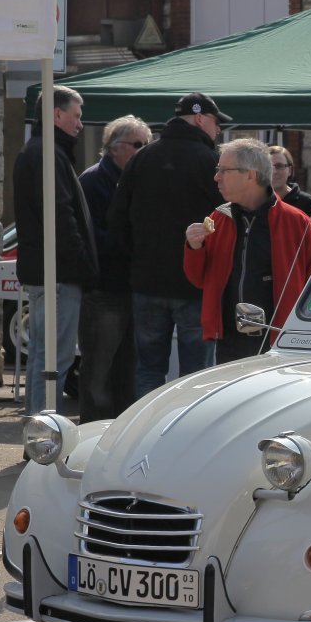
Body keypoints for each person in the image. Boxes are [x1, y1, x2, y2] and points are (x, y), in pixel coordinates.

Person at [109, 91, 229, 397]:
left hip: (147, 281)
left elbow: (117, 218)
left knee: (148, 369)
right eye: (215, 122)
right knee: (196, 374)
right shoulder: (211, 162)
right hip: (195, 284)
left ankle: (147, 425)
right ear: (199, 119)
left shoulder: (142, 158)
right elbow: (226, 221)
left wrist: (136, 260)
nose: (218, 130)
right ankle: (190, 427)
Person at [183, 138, 311, 364]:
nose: (216, 177)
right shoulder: (219, 218)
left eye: (224, 170)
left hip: (279, 343)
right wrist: (194, 246)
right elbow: (198, 279)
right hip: (229, 339)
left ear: (250, 175)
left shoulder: (300, 224)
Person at [13, 84, 98, 414]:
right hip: (57, 274)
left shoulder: (40, 151)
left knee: (42, 356)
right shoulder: (46, 154)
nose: (80, 124)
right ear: (56, 114)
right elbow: (61, 216)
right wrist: (82, 264)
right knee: (54, 360)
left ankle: (36, 426)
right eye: (76, 115)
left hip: (47, 272)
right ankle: (44, 430)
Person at [76, 115, 150, 421]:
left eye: (147, 144)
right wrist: (130, 244)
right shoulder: (93, 181)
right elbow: (92, 236)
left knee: (128, 369)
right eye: (138, 144)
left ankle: (121, 430)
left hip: (132, 287)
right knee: (99, 369)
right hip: (105, 289)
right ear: (115, 147)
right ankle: (93, 431)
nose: (144, 150)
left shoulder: (138, 180)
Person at [268, 143, 311, 223]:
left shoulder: (308, 203)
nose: (274, 172)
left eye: (279, 166)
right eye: (269, 167)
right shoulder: (256, 202)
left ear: (290, 170)